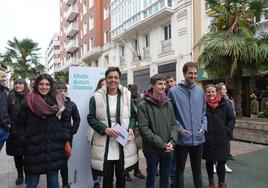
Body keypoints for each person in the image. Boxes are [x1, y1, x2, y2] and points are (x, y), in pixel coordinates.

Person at [14, 74, 71, 188]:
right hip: (33, 149)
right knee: (32, 182)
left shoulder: (58, 101)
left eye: (47, 84)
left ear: (51, 86)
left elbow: (66, 121)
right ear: (36, 85)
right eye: (41, 84)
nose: (44, 87)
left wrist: (64, 136)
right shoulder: (28, 102)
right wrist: (24, 140)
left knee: (54, 181)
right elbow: (18, 125)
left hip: (54, 147)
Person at [87, 67, 138, 188]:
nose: (113, 80)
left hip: (122, 141)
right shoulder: (96, 97)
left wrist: (131, 127)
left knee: (121, 177)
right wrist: (105, 129)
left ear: (119, 79)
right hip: (105, 143)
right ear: (106, 79)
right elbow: (91, 118)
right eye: (110, 77)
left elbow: (133, 116)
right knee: (107, 178)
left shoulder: (127, 95)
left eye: (116, 77)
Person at [168, 62, 207, 188]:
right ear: (184, 73)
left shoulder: (200, 91)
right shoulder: (173, 92)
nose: (193, 76)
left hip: (199, 138)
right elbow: (170, 114)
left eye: (195, 73)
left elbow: (204, 111)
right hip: (181, 140)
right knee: (179, 171)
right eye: (190, 73)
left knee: (197, 171)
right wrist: (179, 129)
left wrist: (203, 126)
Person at [137, 74, 177, 188]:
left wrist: (172, 142)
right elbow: (144, 130)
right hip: (152, 150)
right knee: (151, 179)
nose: (163, 86)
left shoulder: (168, 103)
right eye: (160, 84)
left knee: (165, 179)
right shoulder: (143, 105)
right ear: (152, 85)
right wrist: (163, 145)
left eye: (164, 84)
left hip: (168, 148)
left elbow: (174, 124)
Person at [204, 84, 235, 188]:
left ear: (216, 92)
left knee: (221, 161)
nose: (211, 94)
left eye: (213, 91)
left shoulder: (225, 104)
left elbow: (232, 119)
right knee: (209, 161)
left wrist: (228, 130)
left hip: (222, 138)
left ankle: (221, 183)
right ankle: (211, 181)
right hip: (208, 139)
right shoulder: (203, 105)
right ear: (206, 93)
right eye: (208, 92)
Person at [56, 82, 81, 188]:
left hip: (67, 138)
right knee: (54, 162)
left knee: (64, 162)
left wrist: (72, 132)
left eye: (64, 91)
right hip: (54, 138)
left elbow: (77, 119)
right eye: (60, 90)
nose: (62, 93)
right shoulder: (51, 103)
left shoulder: (71, 104)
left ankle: (65, 184)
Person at [6, 78, 29, 185]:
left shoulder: (30, 97)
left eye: (20, 84)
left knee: (29, 155)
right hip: (14, 131)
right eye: (16, 84)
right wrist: (8, 124)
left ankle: (29, 174)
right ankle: (20, 175)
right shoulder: (10, 97)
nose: (18, 86)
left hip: (28, 131)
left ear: (24, 85)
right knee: (17, 155)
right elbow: (4, 112)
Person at [125, 84, 145, 182]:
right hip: (128, 129)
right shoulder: (126, 101)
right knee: (127, 152)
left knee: (136, 151)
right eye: (133, 90)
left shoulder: (138, 101)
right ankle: (126, 173)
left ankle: (136, 171)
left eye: (135, 90)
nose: (135, 92)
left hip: (137, 130)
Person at [90, 77, 106, 188]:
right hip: (97, 132)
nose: (104, 86)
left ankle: (106, 180)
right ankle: (96, 181)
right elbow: (92, 117)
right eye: (102, 84)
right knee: (97, 158)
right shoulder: (94, 98)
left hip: (112, 134)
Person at [216, 83, 236, 172]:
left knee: (225, 148)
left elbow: (232, 116)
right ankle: (213, 164)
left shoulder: (228, 101)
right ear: (219, 90)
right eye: (223, 89)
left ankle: (223, 164)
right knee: (215, 147)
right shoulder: (214, 101)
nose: (226, 91)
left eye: (225, 89)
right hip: (216, 129)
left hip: (226, 129)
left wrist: (228, 129)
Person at [0, 69, 10, 151]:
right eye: (2, 76)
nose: (4, 79)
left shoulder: (4, 91)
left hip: (4, 129)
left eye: (5, 76)